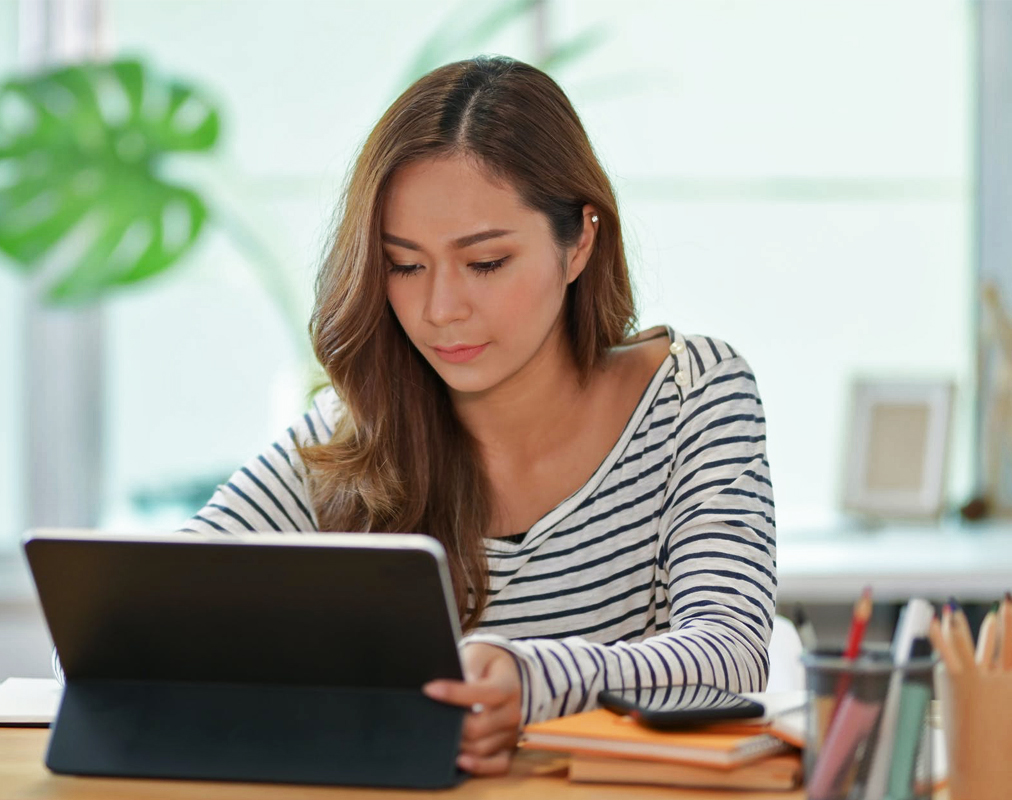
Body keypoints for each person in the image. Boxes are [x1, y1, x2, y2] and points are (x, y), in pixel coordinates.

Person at [178, 55, 777, 776]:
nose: (440, 310)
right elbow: (147, 618)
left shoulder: (694, 395)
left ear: (580, 240)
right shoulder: (355, 429)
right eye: (405, 265)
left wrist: (528, 681)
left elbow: (731, 653)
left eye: (485, 262)